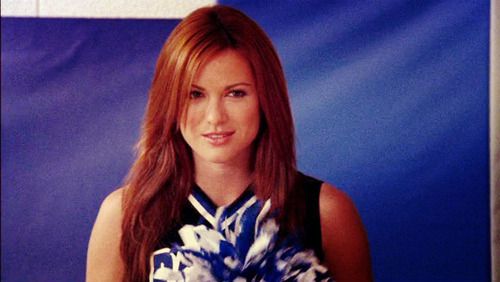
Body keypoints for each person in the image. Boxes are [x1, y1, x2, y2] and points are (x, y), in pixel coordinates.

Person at [86, 5, 372, 282]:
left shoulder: (327, 212)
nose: (215, 117)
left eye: (235, 93)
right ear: (168, 101)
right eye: (194, 95)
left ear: (266, 99)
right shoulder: (124, 215)